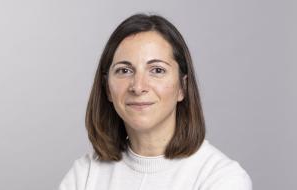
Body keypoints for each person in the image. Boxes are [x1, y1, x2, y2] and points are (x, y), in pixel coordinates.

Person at [58, 13, 252, 190]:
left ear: (182, 88)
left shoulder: (221, 178)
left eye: (157, 70)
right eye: (124, 70)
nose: (138, 86)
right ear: (107, 88)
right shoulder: (84, 174)